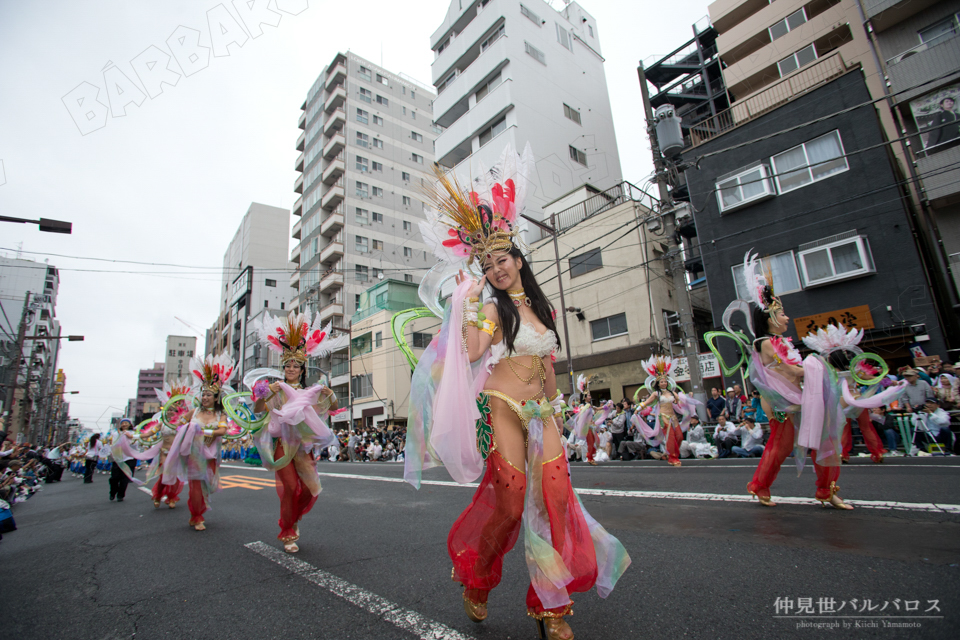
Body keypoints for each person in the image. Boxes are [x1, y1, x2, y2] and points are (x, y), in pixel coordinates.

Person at [403, 145, 629, 640]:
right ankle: (478, 578)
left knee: (553, 501)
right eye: (487, 265)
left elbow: (547, 368)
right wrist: (462, 306)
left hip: (541, 411)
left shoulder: (543, 311)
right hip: (502, 407)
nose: (496, 269)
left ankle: (552, 607)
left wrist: (558, 405)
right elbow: (470, 352)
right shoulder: (490, 311)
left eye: (501, 259)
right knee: (509, 507)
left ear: (518, 258)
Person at [250, 311, 346, 553]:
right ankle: (288, 531)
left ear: (302, 369)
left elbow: (332, 408)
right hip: (283, 446)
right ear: (283, 367)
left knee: (311, 489)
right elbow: (258, 410)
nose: (291, 368)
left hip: (304, 448)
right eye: (288, 365)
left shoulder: (308, 392)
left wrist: (329, 393)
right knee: (291, 487)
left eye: (296, 365)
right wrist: (263, 394)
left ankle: (294, 516)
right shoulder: (274, 388)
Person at [162, 353, 234, 531]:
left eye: (209, 395)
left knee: (206, 486)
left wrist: (203, 431)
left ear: (216, 397)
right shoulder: (193, 413)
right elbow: (180, 426)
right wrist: (187, 430)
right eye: (204, 394)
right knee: (195, 486)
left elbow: (223, 430)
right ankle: (197, 516)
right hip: (194, 455)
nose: (205, 397)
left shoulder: (220, 414)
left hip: (210, 455)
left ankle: (198, 511)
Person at [634, 356, 700, 468]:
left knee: (679, 436)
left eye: (665, 381)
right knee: (670, 436)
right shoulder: (656, 394)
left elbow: (678, 404)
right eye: (661, 382)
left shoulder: (672, 393)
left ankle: (671, 455)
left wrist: (687, 399)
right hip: (663, 416)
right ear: (658, 384)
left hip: (673, 416)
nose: (664, 383)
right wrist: (637, 410)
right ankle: (673, 458)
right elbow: (646, 402)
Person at [108, 419, 136, 501]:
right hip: (118, 458)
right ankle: (112, 492)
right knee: (114, 478)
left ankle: (121, 495)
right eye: (122, 423)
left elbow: (136, 444)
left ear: (130, 424)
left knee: (125, 478)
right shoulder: (115, 433)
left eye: (126, 423)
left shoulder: (133, 433)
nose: (124, 424)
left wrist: (131, 439)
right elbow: (113, 444)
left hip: (129, 458)